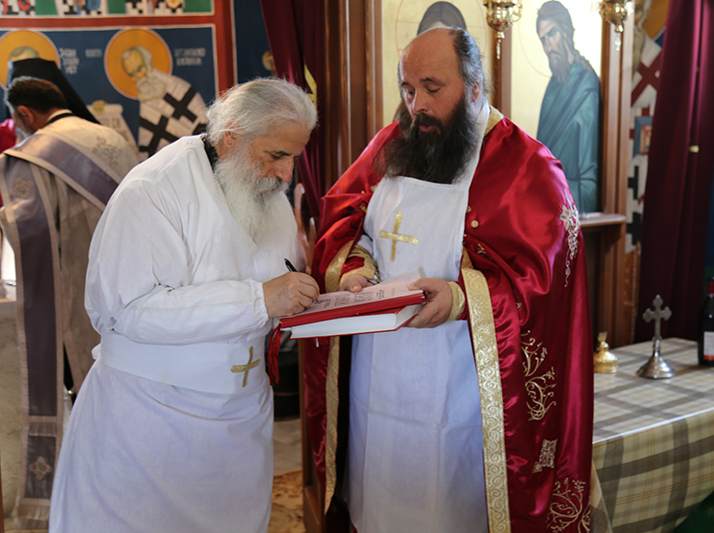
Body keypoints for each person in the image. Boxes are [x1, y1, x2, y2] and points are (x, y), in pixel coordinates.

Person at [306, 27, 594, 532]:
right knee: (380, 500)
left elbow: (545, 284)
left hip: (464, 389)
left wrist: (463, 300)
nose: (416, 105)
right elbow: (344, 221)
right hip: (377, 380)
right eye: (407, 89)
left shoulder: (527, 167)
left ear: (475, 86)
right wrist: (356, 267)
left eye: (432, 88)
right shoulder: (393, 144)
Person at [48, 78, 320, 532]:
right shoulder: (153, 189)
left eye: (295, 157)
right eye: (277, 155)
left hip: (241, 416)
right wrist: (257, 299)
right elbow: (129, 310)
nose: (286, 174)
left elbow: (275, 278)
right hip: (152, 417)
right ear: (232, 136)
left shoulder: (261, 188)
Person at [0, 76, 137, 530]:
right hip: (133, 286)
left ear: (24, 114)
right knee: (124, 389)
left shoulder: (31, 154)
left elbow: (30, 233)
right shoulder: (110, 137)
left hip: (79, 294)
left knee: (85, 391)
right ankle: (129, 483)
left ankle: (89, 493)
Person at [536, 0, 600, 213]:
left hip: (570, 206)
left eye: (552, 34)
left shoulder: (586, 85)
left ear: (566, 32)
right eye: (543, 40)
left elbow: (588, 174)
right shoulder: (553, 86)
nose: (548, 47)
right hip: (547, 198)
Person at [122, 45, 209, 160]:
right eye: (131, 74)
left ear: (150, 63)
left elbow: (203, 124)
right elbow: (148, 148)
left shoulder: (178, 88)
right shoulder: (146, 101)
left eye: (139, 69)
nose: (137, 77)